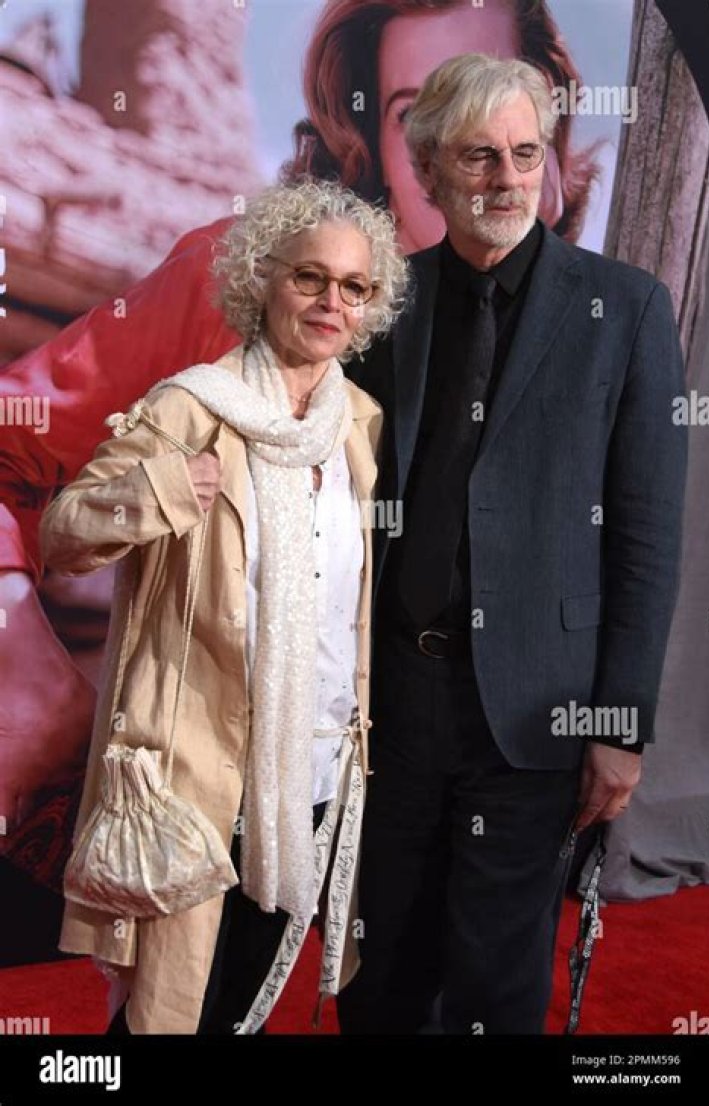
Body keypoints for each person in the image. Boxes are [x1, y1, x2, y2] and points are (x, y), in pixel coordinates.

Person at [0, 0, 601, 848]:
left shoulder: (596, 327)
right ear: (375, 146)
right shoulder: (234, 282)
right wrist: (26, 677)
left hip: (475, 837)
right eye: (417, 112)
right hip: (227, 832)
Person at [335, 53, 688, 1034]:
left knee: (495, 987)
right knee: (378, 970)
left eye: (526, 154)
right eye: (479, 156)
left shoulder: (626, 309)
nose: (506, 178)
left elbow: (647, 537)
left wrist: (621, 724)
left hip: (540, 707)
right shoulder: (381, 303)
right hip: (392, 698)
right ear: (427, 169)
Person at [37, 179, 409, 1034]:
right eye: (310, 277)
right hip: (195, 773)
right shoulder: (191, 407)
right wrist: (161, 489)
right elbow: (63, 535)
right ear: (263, 279)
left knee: (247, 1000)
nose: (332, 302)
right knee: (169, 1012)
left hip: (314, 772)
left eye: (354, 287)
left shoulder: (360, 424)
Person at [282, 0, 600, 251]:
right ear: (375, 148)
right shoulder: (293, 289)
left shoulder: (604, 297)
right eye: (413, 113)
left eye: (487, 99)